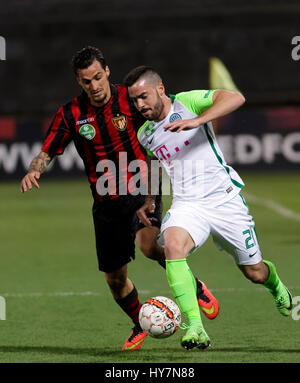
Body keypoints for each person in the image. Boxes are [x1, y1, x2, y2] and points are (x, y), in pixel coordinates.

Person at [20, 47, 219, 351]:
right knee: (115, 279)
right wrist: (34, 170)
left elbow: (166, 110)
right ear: (79, 81)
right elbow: (47, 150)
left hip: (141, 189)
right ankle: (142, 321)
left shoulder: (133, 98)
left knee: (151, 246)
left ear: (107, 72)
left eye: (98, 77)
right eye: (87, 81)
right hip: (105, 203)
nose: (94, 85)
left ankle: (196, 289)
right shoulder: (71, 113)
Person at [124, 65, 293, 350]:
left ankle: (275, 284)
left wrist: (197, 120)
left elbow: (235, 98)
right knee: (174, 247)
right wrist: (150, 199)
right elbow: (155, 162)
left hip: (224, 200)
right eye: (134, 100)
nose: (140, 104)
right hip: (188, 205)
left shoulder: (188, 102)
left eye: (143, 96)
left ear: (160, 89)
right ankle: (195, 327)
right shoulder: (145, 133)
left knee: (255, 273)